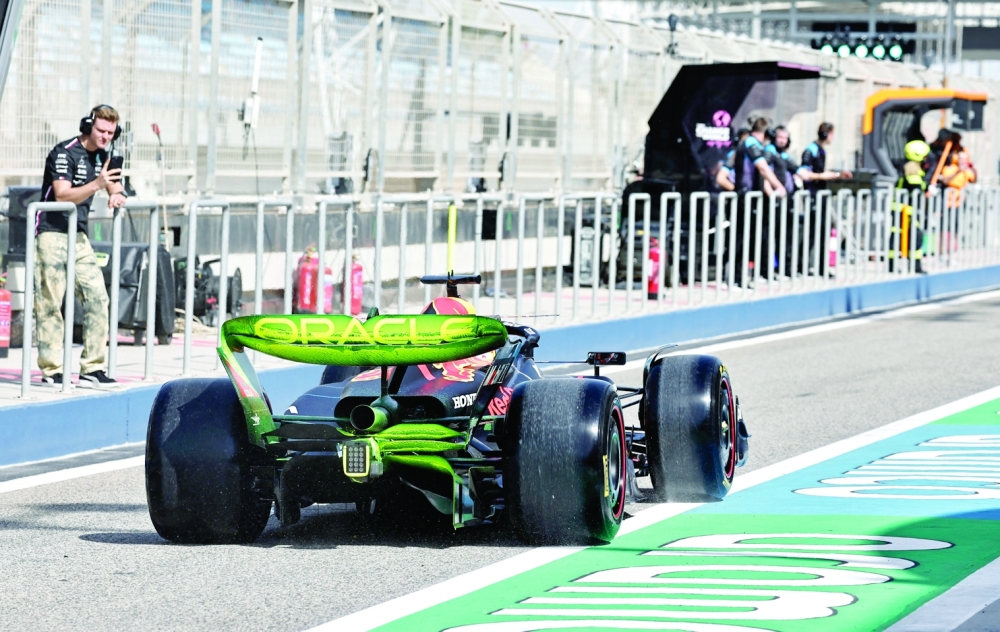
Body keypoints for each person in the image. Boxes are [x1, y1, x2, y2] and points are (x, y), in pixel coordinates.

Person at [35, 104, 126, 387]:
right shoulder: (63, 152)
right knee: (51, 303)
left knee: (98, 297)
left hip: (79, 235)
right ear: (88, 126)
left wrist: (117, 194)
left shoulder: (103, 156)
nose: (105, 137)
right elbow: (62, 196)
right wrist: (98, 185)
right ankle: (52, 370)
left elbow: (113, 184)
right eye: (101, 130)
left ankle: (92, 367)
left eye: (111, 132)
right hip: (52, 232)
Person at [891, 139, 929, 274]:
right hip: (904, 209)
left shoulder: (912, 165)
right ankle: (900, 265)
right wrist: (927, 186)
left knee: (911, 236)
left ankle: (913, 265)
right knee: (905, 236)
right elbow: (916, 185)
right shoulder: (912, 167)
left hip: (906, 209)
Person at [799, 122, 852, 193]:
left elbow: (820, 171)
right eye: (832, 134)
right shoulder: (811, 150)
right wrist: (821, 176)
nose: (833, 137)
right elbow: (803, 173)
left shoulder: (821, 150)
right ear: (826, 134)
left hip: (820, 190)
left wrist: (839, 175)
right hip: (811, 191)